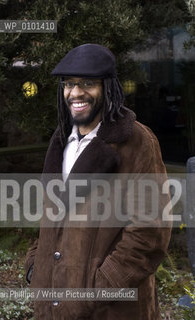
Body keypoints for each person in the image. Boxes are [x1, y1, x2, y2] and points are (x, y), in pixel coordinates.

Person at [25, 43, 171, 320]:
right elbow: (52, 216)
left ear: (108, 87)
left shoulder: (137, 141)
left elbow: (151, 232)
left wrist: (96, 291)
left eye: (88, 83)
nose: (76, 92)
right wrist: (36, 265)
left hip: (111, 310)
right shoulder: (61, 139)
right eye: (69, 83)